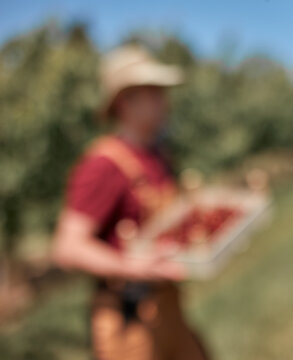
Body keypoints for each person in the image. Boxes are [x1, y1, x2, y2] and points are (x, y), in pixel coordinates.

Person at [52, 45, 210, 360]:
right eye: (154, 92)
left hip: (169, 307)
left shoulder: (157, 155)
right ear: (126, 102)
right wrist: (130, 267)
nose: (164, 101)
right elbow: (67, 247)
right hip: (131, 320)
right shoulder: (103, 166)